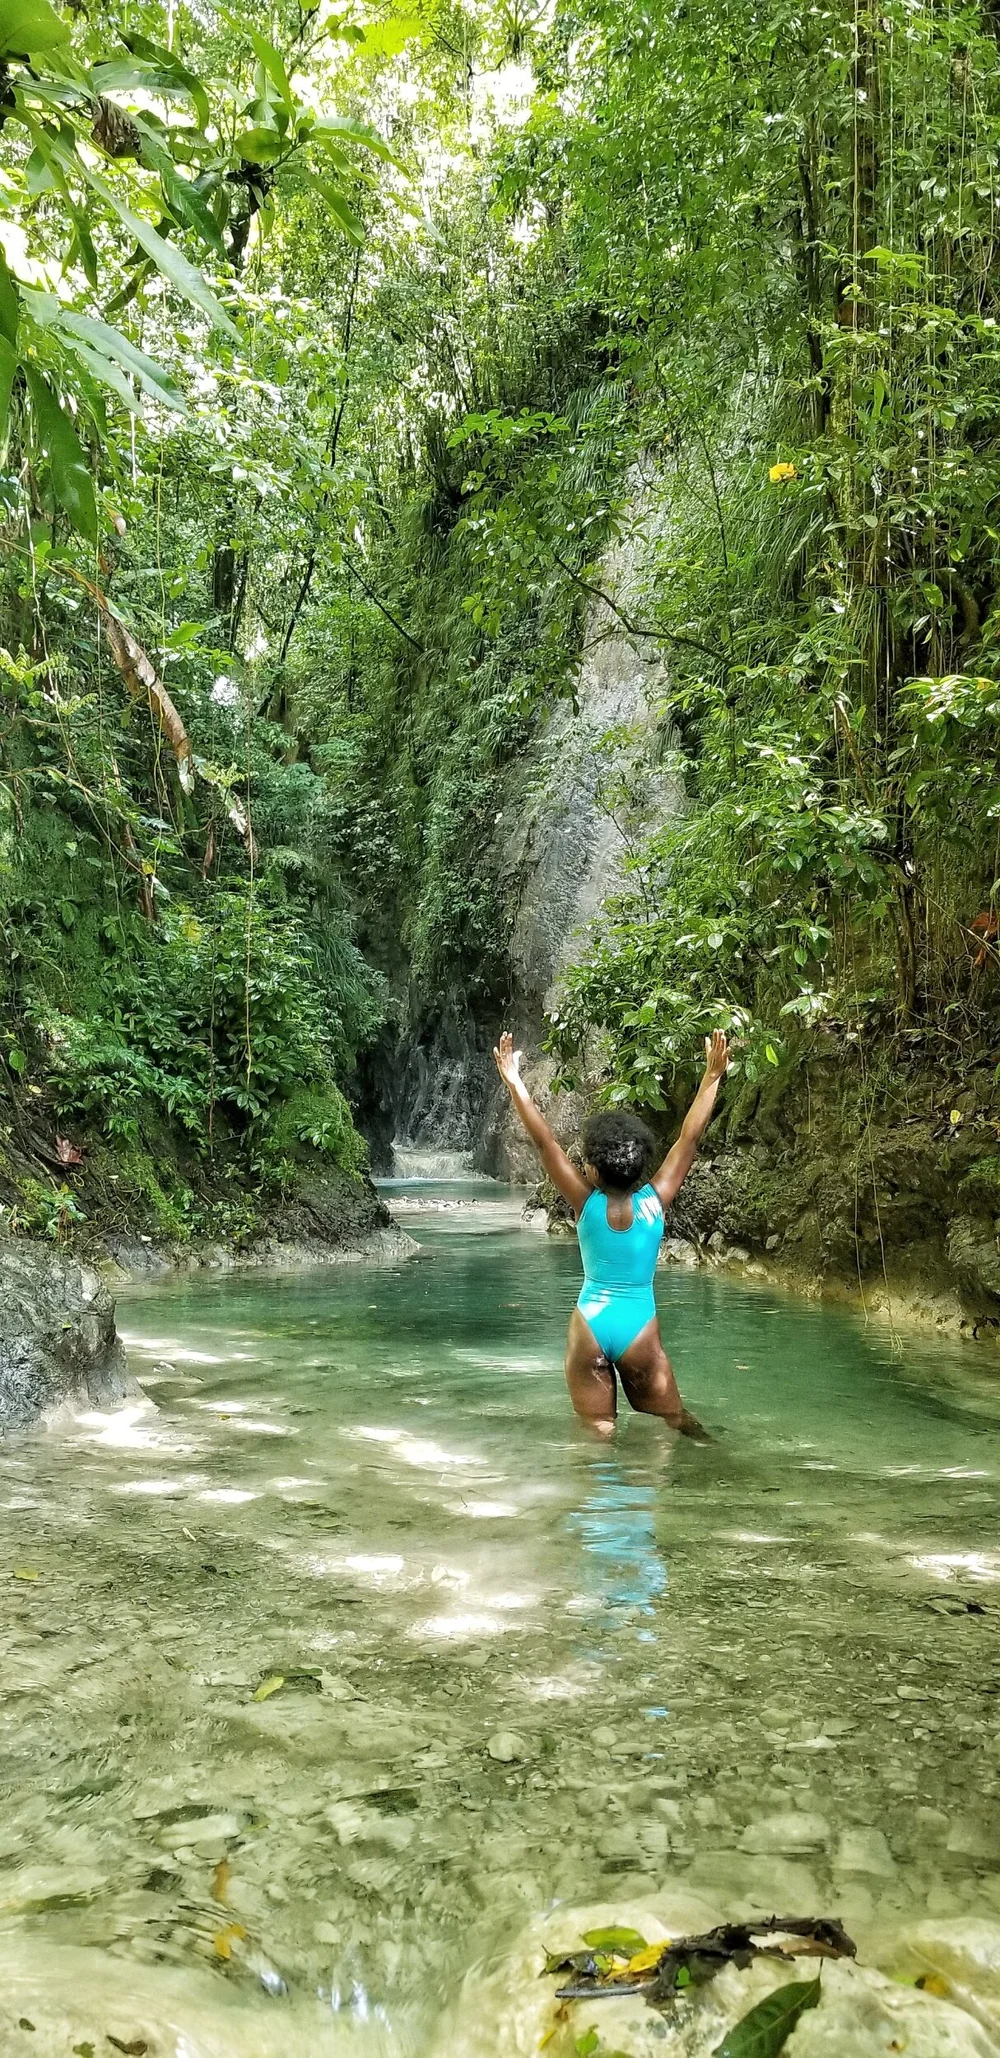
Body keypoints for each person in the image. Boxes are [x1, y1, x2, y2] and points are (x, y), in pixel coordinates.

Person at [492, 1030, 730, 1437]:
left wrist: (515, 1081)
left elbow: (544, 1141)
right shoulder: (656, 1202)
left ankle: (602, 1499)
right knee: (676, 1423)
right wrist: (711, 1077)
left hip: (590, 1325)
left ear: (595, 1169)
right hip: (640, 1326)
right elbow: (688, 1138)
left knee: (597, 1431)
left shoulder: (585, 1203)